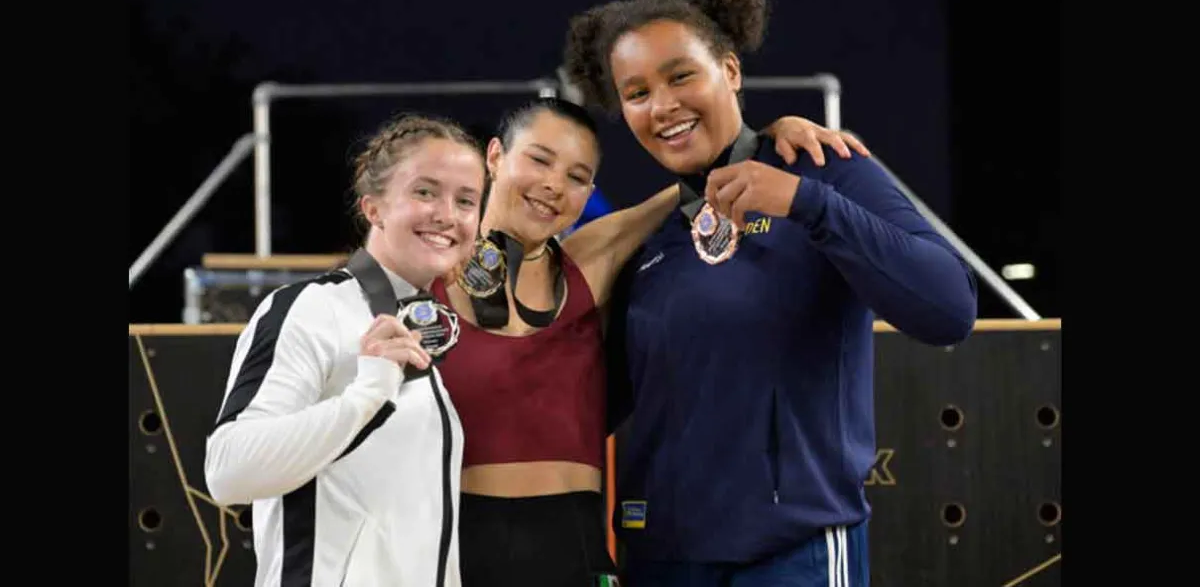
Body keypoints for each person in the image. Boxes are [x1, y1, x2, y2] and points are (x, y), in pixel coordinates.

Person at [561, 0, 980, 585]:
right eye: (637, 94)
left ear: (729, 69)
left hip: (793, 555)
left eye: (682, 76)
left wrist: (807, 203)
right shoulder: (651, 238)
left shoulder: (824, 170)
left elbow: (950, 309)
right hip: (660, 561)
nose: (663, 105)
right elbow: (596, 405)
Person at [429, 95, 869, 587]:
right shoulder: (423, 277)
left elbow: (691, 189)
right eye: (539, 159)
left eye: (577, 177)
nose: (553, 185)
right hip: (456, 551)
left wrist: (768, 137)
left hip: (576, 555)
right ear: (494, 156)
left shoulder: (585, 265)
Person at [203, 113, 487, 587]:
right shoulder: (312, 307)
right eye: (425, 191)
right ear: (373, 209)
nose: (447, 214)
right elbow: (228, 470)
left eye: (466, 201)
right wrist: (366, 395)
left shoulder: (424, 328)